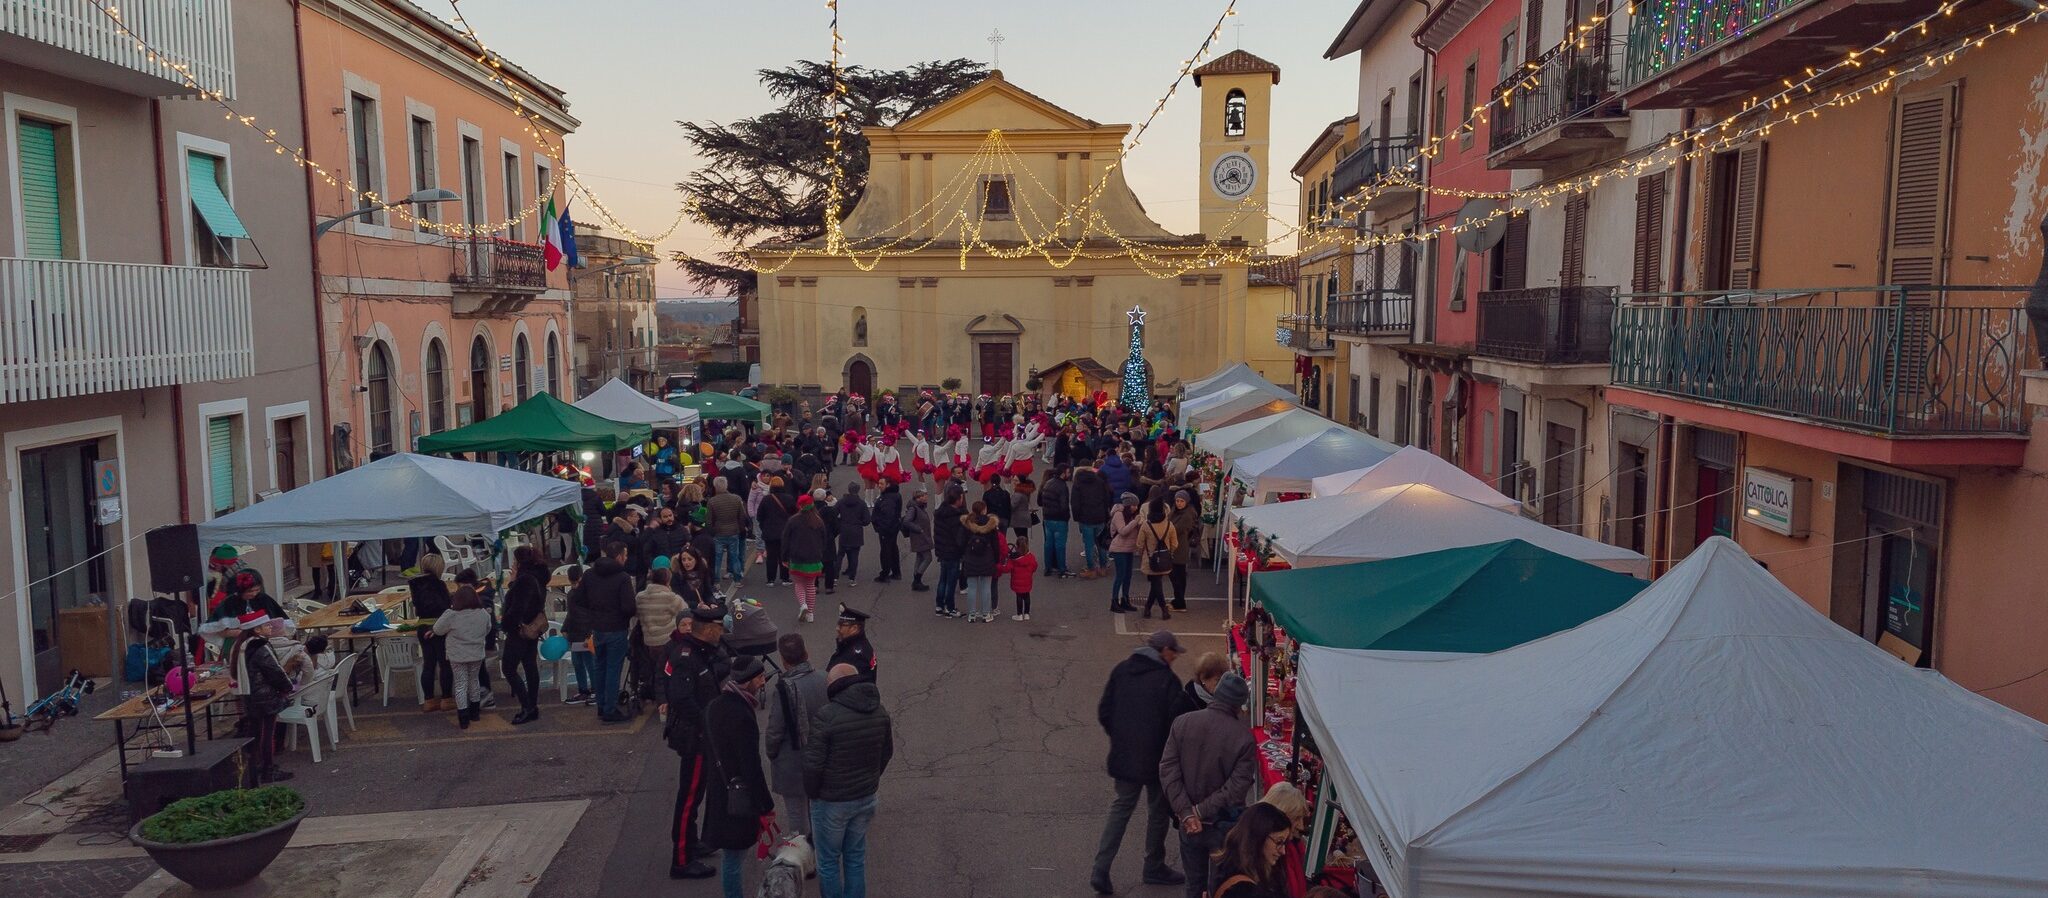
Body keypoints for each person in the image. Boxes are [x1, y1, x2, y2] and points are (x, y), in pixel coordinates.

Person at [1091, 630, 1190, 895]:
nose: (1175, 658)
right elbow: (1176, 725)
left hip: (1124, 756)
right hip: (1157, 760)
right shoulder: (1168, 681)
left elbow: (1104, 711)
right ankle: (1153, 865)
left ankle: (1101, 868)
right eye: (1174, 652)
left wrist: (1121, 738)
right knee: (1157, 811)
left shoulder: (1122, 670)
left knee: (1121, 809)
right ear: (1164, 651)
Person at [1159, 672, 1257, 898]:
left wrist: (1187, 813)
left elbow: (1168, 770)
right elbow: (1236, 787)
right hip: (1222, 825)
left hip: (1189, 825)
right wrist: (1199, 811)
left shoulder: (1183, 722)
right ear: (1239, 705)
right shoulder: (1243, 738)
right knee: (1219, 887)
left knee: (1193, 885)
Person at [804, 663, 893, 898]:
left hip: (831, 801)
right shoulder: (879, 711)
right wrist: (871, 778)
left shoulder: (827, 716)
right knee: (855, 860)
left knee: (828, 862)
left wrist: (813, 793)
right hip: (865, 797)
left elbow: (813, 765)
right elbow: (887, 752)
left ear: (834, 686)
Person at [665, 605, 731, 880]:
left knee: (697, 795)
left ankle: (691, 844)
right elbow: (681, 698)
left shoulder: (703, 652)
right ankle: (681, 860)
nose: (722, 633)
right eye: (719, 628)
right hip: (695, 738)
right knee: (689, 798)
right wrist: (707, 723)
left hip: (702, 735)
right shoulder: (686, 657)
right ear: (709, 630)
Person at [704, 655, 775, 898]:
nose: (764, 681)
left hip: (718, 789)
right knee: (733, 858)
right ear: (751, 680)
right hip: (737, 795)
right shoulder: (742, 714)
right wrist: (765, 804)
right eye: (761, 677)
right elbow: (751, 766)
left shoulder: (715, 705)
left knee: (731, 855)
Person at [764, 633, 827, 838]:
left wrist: (772, 753)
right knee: (817, 808)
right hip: (821, 755)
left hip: (792, 760)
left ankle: (802, 856)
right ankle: (820, 849)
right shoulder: (825, 678)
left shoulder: (784, 688)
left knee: (797, 815)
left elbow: (775, 729)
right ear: (806, 653)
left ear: (783, 659)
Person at [228, 611, 295, 782]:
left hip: (250, 697)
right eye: (267, 625)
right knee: (267, 734)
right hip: (265, 697)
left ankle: (256, 767)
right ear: (257, 629)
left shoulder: (240, 644)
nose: (270, 627)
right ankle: (267, 770)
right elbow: (275, 671)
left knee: (256, 732)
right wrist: (288, 687)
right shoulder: (260, 646)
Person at [577, 540, 639, 723]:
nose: (626, 558)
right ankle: (610, 709)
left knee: (599, 667)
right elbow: (629, 607)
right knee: (613, 669)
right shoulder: (622, 577)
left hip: (597, 628)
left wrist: (594, 612)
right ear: (619, 556)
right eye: (625, 555)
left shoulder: (589, 574)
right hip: (616, 628)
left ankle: (602, 705)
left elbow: (579, 599)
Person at [500, 546, 549, 725]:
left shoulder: (525, 580)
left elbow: (518, 606)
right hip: (532, 628)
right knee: (529, 665)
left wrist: (506, 624)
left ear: (519, 562)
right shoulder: (539, 577)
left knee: (509, 668)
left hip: (520, 629)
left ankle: (527, 705)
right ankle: (532, 706)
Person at [432, 586, 493, 729]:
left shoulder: (452, 615)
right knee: (474, 681)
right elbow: (488, 628)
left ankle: (463, 717)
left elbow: (437, 630)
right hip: (476, 653)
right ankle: (475, 713)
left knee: (460, 684)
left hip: (457, 655)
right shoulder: (483, 613)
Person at [1209, 803, 1295, 898]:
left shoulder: (1226, 869)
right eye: (1279, 842)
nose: (1283, 851)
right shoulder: (1244, 891)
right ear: (1258, 838)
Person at [411, 554, 456, 711]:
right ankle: (446, 698)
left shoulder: (415, 584)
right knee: (444, 664)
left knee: (428, 664)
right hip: (439, 626)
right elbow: (445, 605)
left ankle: (429, 700)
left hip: (422, 625)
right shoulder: (439, 584)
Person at [634, 567, 686, 704]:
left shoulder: (640, 597)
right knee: (669, 671)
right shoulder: (670, 597)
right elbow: (685, 613)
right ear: (667, 581)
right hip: (668, 641)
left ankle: (658, 698)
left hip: (650, 643)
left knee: (656, 671)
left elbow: (637, 614)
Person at [783, 494, 830, 623]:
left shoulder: (793, 520)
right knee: (810, 585)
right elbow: (824, 540)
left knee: (798, 583)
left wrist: (784, 557)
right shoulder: (818, 521)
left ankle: (803, 604)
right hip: (814, 558)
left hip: (797, 558)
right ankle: (810, 613)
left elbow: (786, 540)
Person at [1136, 500, 1182, 621]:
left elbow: (1139, 543)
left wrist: (1142, 554)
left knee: (1156, 584)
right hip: (1164, 559)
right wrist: (1169, 552)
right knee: (1157, 583)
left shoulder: (1146, 525)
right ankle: (1153, 608)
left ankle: (1158, 609)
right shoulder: (1169, 524)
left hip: (1150, 559)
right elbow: (1175, 544)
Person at [959, 501, 1003, 623]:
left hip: (971, 559)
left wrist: (964, 554)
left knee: (972, 588)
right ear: (984, 510)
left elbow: (961, 542)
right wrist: (996, 558)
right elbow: (995, 544)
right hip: (987, 559)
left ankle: (972, 614)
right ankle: (986, 613)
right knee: (986, 587)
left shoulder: (967, 523)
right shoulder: (991, 524)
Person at [560, 564, 596, 706]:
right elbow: (572, 613)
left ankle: (593, 690)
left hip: (584, 634)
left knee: (586, 662)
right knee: (579, 662)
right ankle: (585, 690)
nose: (574, 585)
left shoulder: (584, 594)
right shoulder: (576, 594)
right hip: (577, 634)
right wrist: (565, 627)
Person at [1072, 463, 1113, 578]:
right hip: (1100, 516)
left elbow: (1075, 504)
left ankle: (1091, 569)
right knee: (1101, 543)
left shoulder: (1078, 484)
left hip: (1085, 518)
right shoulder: (1100, 482)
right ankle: (1103, 567)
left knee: (1089, 545)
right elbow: (1106, 498)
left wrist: (1077, 517)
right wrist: (1106, 514)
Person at [705, 476, 749, 583]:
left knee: (718, 558)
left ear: (715, 487)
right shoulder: (736, 499)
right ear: (726, 485)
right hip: (734, 531)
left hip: (719, 532)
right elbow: (742, 516)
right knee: (734, 556)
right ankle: (737, 579)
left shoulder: (712, 501)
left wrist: (711, 531)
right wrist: (741, 528)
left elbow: (709, 520)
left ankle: (716, 581)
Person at [931, 487, 967, 617]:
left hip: (942, 550)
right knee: (951, 581)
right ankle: (950, 608)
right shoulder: (956, 517)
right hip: (952, 552)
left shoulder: (940, 512)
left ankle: (939, 605)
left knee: (943, 579)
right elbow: (959, 537)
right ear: (957, 500)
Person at [1107, 494, 1144, 613]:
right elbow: (1122, 531)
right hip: (1119, 549)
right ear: (1128, 505)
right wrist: (1135, 522)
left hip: (1129, 549)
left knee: (1128, 576)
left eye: (1137, 505)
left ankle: (1125, 599)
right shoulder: (1118, 514)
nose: (1136, 507)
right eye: (1134, 505)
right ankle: (1114, 601)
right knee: (1120, 576)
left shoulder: (1131, 515)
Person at [755, 481, 793, 587]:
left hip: (769, 532)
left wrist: (764, 527)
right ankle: (785, 578)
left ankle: (770, 579)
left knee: (771, 556)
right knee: (784, 555)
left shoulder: (766, 499)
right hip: (785, 532)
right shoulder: (789, 498)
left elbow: (759, 516)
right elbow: (794, 514)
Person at [828, 605, 878, 684]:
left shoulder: (857, 655)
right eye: (838, 624)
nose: (837, 628)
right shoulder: (852, 646)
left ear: (854, 628)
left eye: (842, 625)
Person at [1169, 490, 1200, 612]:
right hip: (1175, 547)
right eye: (1177, 501)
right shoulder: (1175, 511)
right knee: (1176, 576)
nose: (1179, 503)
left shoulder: (1187, 514)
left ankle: (1180, 603)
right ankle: (1178, 600)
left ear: (1186, 501)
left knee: (1178, 576)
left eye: (1181, 501)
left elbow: (1176, 529)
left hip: (1180, 548)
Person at [1039, 466, 1073, 578]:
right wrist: (1066, 516)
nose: (1069, 474)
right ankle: (1062, 569)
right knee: (1060, 545)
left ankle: (1048, 568)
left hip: (1047, 517)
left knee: (1048, 544)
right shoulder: (1062, 486)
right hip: (1059, 519)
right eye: (1068, 472)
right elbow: (1064, 505)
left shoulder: (1048, 483)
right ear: (1063, 473)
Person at [834, 482, 869, 582]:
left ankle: (835, 576)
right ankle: (852, 577)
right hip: (856, 531)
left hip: (844, 530)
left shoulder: (841, 502)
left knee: (840, 554)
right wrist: (859, 523)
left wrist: (840, 523)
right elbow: (867, 520)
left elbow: (833, 513)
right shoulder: (862, 503)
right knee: (854, 555)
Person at [901, 487, 934, 592]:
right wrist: (918, 529)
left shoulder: (920, 507)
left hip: (921, 537)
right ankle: (917, 579)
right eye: (924, 496)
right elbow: (907, 521)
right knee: (928, 558)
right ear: (918, 498)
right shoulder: (914, 509)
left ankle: (916, 580)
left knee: (920, 558)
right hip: (919, 537)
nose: (927, 497)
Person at [871, 478, 903, 583]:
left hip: (887, 529)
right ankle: (896, 572)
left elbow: (887, 515)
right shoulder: (893, 495)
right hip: (893, 527)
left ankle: (884, 574)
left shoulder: (888, 498)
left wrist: (881, 528)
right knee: (893, 549)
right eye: (878, 483)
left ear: (888, 485)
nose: (879, 485)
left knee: (886, 551)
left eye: (881, 483)